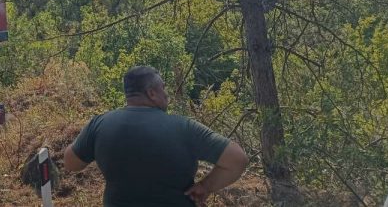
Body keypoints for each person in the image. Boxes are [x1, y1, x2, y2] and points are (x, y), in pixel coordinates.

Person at [63, 65, 249, 206]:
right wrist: (205, 187)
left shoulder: (99, 125)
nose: (166, 95)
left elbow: (71, 163)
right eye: (163, 88)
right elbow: (237, 159)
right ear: (151, 93)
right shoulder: (184, 128)